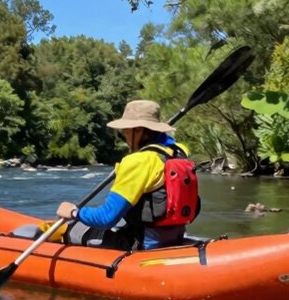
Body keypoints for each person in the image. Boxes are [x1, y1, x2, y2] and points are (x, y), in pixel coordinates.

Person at [56, 99, 200, 250]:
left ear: (138, 131)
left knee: (72, 229)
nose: (124, 136)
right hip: (173, 238)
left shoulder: (137, 161)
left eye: (125, 130)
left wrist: (74, 212)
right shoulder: (178, 152)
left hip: (140, 244)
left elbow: (106, 218)